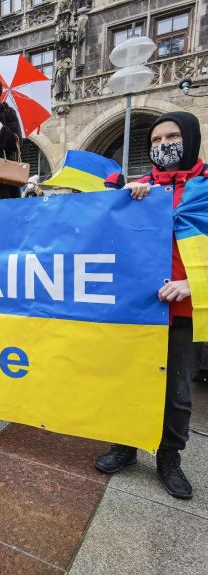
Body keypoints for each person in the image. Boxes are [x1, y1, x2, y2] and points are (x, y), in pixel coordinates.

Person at [95, 111, 208, 500]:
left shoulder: (206, 188)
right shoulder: (139, 189)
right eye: (156, 141)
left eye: (172, 137)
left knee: (177, 393)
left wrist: (193, 284)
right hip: (136, 312)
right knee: (129, 381)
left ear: (190, 139)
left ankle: (169, 459)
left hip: (186, 314)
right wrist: (124, 201)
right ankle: (125, 446)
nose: (164, 145)